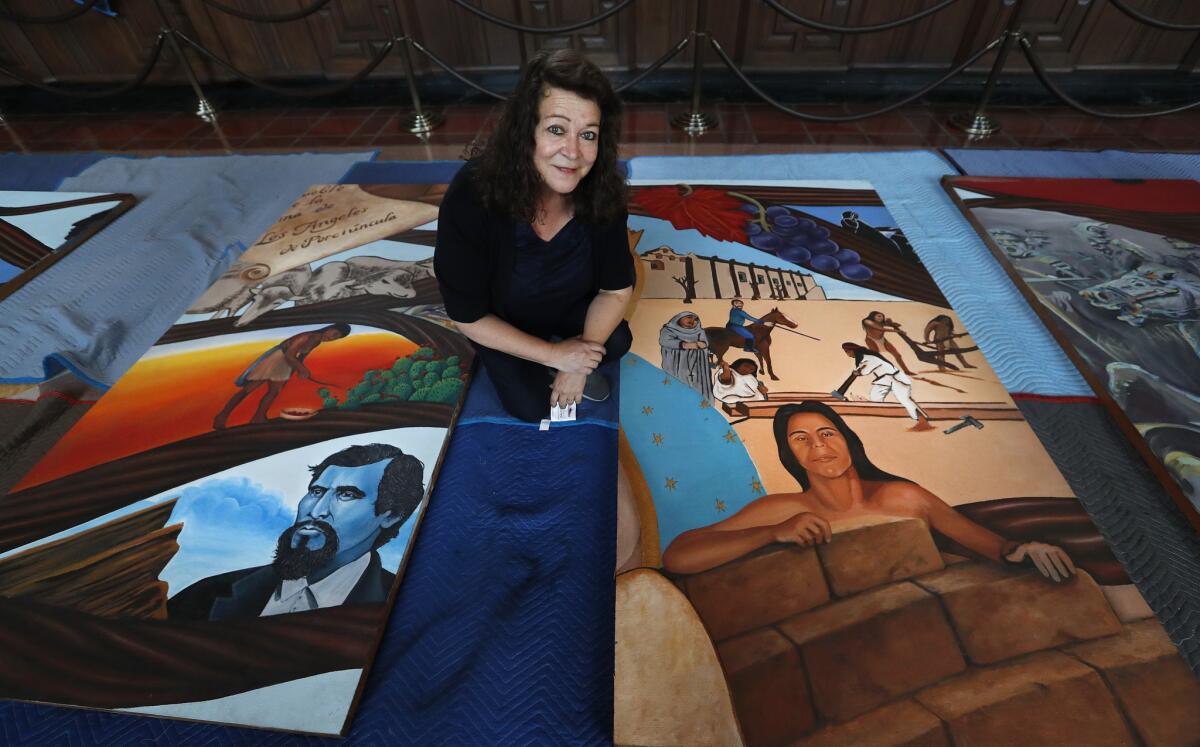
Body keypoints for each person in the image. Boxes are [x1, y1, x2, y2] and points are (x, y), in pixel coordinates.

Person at [662, 401, 1076, 583]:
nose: (819, 446)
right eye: (800, 439)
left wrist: (1027, 551)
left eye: (827, 433)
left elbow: (995, 546)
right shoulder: (783, 509)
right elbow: (680, 556)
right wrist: (771, 533)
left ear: (848, 439)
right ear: (790, 455)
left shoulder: (903, 498)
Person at [434, 49, 633, 423]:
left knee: (618, 340)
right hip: (503, 317)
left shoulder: (602, 188)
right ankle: (546, 356)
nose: (573, 152)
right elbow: (467, 315)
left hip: (571, 301)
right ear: (526, 132)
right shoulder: (472, 195)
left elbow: (615, 290)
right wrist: (555, 356)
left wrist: (578, 362)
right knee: (531, 407)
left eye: (587, 135)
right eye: (556, 129)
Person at [168, 443, 425, 621]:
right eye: (316, 492)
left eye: (347, 495)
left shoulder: (403, 608)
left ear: (391, 515)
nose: (317, 510)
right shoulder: (206, 595)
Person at [213, 323, 350, 429]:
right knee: (248, 390)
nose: (332, 338)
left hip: (286, 364)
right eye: (334, 333)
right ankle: (222, 416)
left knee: (273, 392)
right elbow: (289, 353)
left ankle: (258, 417)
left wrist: (298, 369)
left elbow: (301, 356)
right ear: (330, 328)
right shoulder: (307, 336)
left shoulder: (316, 340)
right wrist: (301, 368)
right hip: (277, 359)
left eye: (336, 338)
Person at [842, 342, 932, 431]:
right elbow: (860, 369)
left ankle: (923, 421)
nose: (848, 355)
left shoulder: (869, 358)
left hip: (896, 378)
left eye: (848, 352)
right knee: (875, 398)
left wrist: (857, 373)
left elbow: (864, 371)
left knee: (904, 399)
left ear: (853, 351)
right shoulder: (863, 359)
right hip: (884, 380)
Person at [659, 311, 713, 402]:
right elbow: (664, 341)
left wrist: (702, 344)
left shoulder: (699, 331)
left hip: (697, 365)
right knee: (680, 384)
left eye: (696, 319)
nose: (693, 321)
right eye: (689, 317)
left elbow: (705, 343)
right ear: (679, 318)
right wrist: (684, 345)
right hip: (677, 363)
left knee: (697, 385)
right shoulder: (669, 330)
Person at [861, 310, 915, 375]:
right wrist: (897, 331)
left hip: (883, 340)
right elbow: (880, 329)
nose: (881, 318)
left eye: (882, 317)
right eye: (879, 316)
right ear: (873, 316)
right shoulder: (867, 321)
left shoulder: (881, 323)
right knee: (877, 357)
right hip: (871, 341)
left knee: (897, 355)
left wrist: (891, 323)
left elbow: (897, 325)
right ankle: (876, 372)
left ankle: (906, 371)